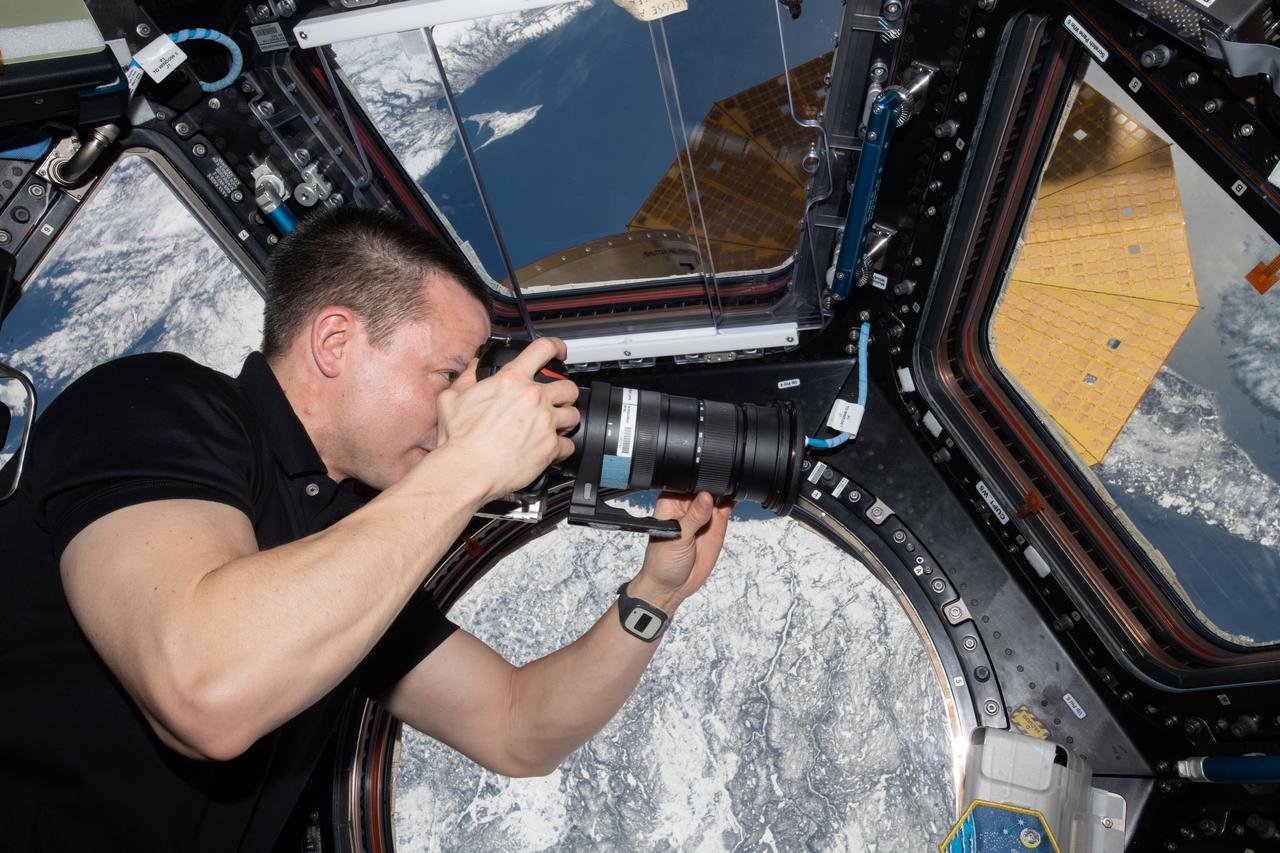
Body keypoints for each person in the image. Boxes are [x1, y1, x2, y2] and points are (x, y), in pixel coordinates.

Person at [0, 206, 732, 851]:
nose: (458, 410)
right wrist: (470, 467)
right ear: (336, 341)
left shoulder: (352, 540)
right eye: (449, 375)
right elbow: (205, 692)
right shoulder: (156, 407)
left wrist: (653, 599)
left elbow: (517, 727)